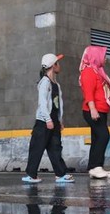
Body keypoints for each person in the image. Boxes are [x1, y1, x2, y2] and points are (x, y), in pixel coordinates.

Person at [23, 53, 74, 184]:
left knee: (55, 147)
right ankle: (31, 175)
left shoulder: (56, 84)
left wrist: (59, 120)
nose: (59, 65)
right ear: (53, 65)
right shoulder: (45, 82)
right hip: (44, 121)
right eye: (58, 63)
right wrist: (48, 119)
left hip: (54, 120)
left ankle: (60, 174)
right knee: (37, 147)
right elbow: (42, 103)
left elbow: (58, 104)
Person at [79, 46, 110, 179]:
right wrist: (93, 109)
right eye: (103, 56)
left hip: (101, 110)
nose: (106, 58)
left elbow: (101, 89)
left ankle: (94, 167)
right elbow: (88, 92)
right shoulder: (89, 71)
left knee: (97, 138)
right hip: (93, 110)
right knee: (104, 136)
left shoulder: (98, 71)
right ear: (96, 57)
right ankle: (96, 167)